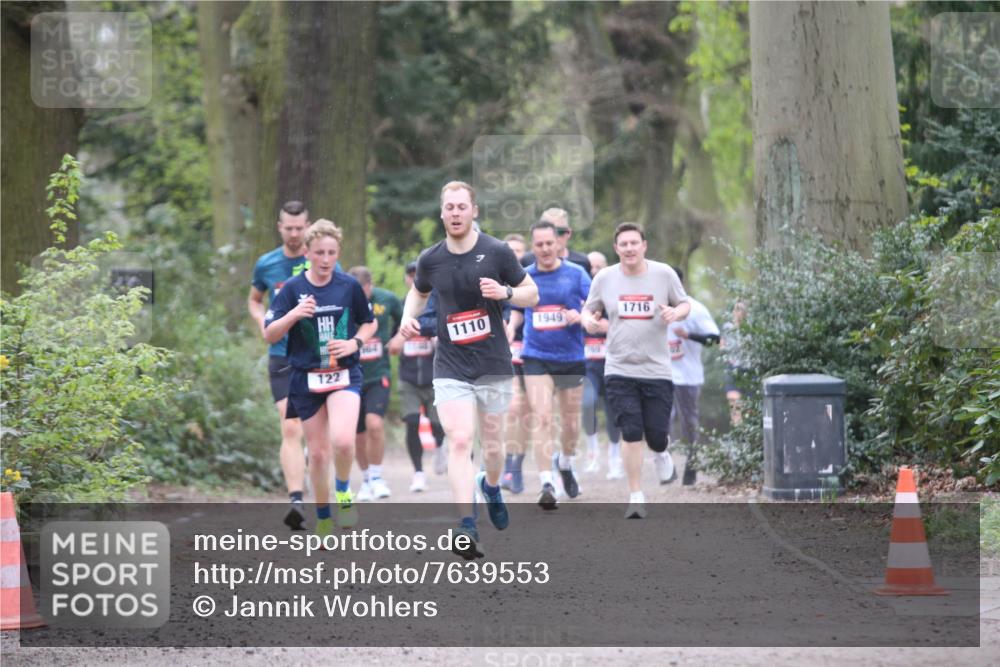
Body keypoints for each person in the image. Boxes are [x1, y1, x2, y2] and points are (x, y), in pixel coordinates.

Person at [399, 181, 538, 559]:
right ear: (442, 213)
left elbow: (532, 293)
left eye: (462, 206)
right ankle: (466, 525)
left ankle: (490, 486)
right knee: (460, 440)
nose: (456, 213)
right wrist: (407, 318)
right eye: (450, 207)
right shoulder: (431, 258)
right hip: (450, 364)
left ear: (474, 210)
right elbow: (419, 291)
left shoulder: (497, 252)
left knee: (493, 448)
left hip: (492, 362)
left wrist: (506, 293)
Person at [264, 220, 377, 536]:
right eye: (319, 253)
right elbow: (269, 334)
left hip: (343, 372)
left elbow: (370, 323)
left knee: (342, 441)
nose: (326, 259)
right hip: (306, 377)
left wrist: (354, 342)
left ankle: (343, 491)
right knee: (316, 453)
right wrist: (294, 315)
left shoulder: (348, 285)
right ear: (308, 253)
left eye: (331, 253)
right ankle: (324, 518)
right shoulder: (293, 289)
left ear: (338, 253)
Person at [583, 222, 690, 519]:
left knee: (656, 435)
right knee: (630, 431)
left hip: (656, 369)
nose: (629, 248)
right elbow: (588, 310)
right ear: (616, 249)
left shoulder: (663, 274)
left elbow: (684, 304)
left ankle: (662, 451)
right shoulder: (605, 278)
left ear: (644, 245)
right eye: (623, 244)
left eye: (634, 243)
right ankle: (636, 495)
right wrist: (588, 321)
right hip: (618, 367)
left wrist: (674, 312)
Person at [510, 221, 591, 509]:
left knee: (570, 422)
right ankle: (547, 481)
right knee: (542, 417)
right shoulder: (525, 276)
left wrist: (580, 314)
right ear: (533, 247)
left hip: (570, 357)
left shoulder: (576, 274)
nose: (545, 249)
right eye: (539, 244)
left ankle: (565, 463)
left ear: (558, 243)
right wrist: (510, 329)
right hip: (536, 355)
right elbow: (518, 311)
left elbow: (594, 306)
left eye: (549, 243)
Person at [248, 200, 310, 530]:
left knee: (317, 432)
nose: (295, 234)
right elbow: (254, 299)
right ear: (279, 226)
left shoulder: (321, 258)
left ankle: (325, 483)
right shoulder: (267, 264)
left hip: (316, 355)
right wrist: (261, 320)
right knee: (290, 427)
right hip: (282, 353)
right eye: (289, 228)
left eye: (300, 228)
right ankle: (296, 500)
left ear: (308, 226)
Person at [387, 262, 447, 493]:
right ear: (406, 280)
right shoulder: (401, 307)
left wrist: (434, 339)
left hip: (435, 376)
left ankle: (441, 446)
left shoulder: (439, 303)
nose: (414, 280)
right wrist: (401, 338)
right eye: (411, 277)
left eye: (418, 276)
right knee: (411, 423)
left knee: (437, 425)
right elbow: (391, 346)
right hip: (408, 377)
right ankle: (418, 473)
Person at [347, 266, 403, 501]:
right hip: (350, 375)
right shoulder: (341, 301)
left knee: (375, 424)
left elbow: (405, 319)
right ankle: (367, 478)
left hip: (378, 373)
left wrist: (397, 339)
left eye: (362, 292)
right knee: (358, 435)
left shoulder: (386, 299)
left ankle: (378, 476)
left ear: (370, 287)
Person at [665, 267, 720, 486]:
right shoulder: (655, 307)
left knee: (689, 422)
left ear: (680, 284)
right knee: (661, 420)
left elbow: (713, 339)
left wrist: (688, 335)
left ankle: (692, 460)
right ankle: (666, 464)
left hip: (688, 377)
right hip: (662, 374)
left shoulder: (695, 309)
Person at [580, 250, 623, 478]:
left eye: (599, 267)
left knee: (613, 410)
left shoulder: (616, 292)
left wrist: (610, 326)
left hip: (613, 361)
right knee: (587, 404)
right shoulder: (581, 294)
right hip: (588, 363)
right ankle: (593, 453)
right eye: (591, 267)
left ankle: (615, 458)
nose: (594, 271)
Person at [500, 233, 529, 494]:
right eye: (510, 250)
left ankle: (518, 464)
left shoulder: (531, 280)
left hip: (534, 354)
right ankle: (509, 465)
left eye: (519, 251)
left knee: (530, 415)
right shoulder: (493, 279)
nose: (515, 255)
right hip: (506, 353)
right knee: (513, 409)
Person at [519, 207, 592, 276]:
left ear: (568, 233)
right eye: (548, 232)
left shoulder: (582, 262)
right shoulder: (527, 261)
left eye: (560, 232)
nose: (555, 237)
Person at [721, 301, 748, 426]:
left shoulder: (751, 329)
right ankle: (738, 430)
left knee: (749, 405)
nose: (738, 313)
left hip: (749, 369)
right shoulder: (727, 327)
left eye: (741, 310)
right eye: (736, 309)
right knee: (734, 400)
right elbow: (722, 345)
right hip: (733, 367)